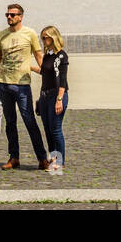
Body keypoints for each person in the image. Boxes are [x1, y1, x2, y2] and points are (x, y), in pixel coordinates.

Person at [0, 4, 49, 170]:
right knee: (10, 123)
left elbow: (39, 55)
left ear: (21, 16)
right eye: (7, 15)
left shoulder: (29, 33)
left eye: (13, 15)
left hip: (22, 85)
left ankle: (42, 158)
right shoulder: (1, 35)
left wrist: (48, 74)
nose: (9, 17)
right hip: (3, 84)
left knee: (29, 120)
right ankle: (14, 157)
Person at [33, 25, 69, 172]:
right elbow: (44, 72)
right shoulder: (47, 55)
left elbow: (62, 79)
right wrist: (27, 68)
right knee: (47, 130)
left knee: (55, 129)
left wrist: (59, 99)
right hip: (45, 96)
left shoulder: (61, 56)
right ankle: (53, 159)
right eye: (42, 38)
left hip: (57, 95)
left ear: (53, 37)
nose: (43, 40)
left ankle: (60, 162)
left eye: (45, 37)